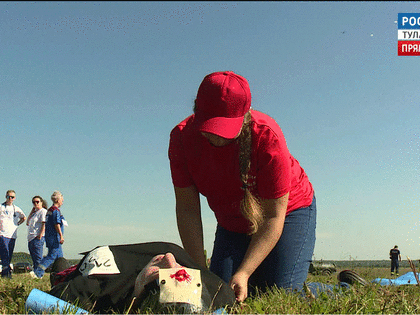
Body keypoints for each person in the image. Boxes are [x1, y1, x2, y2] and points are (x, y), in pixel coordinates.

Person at [168, 71, 316, 302]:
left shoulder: (267, 136)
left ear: (245, 115)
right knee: (222, 293)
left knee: (278, 293)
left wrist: (245, 272)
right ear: (196, 109)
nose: (217, 137)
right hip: (233, 222)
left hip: (287, 212)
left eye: (225, 128)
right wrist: (199, 270)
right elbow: (187, 209)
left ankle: (325, 288)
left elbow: (272, 217)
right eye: (210, 127)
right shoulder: (181, 139)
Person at [47, 242, 235, 313]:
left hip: (97, 260)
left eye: (160, 281)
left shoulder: (99, 289)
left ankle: (60, 268)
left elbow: (52, 297)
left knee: (61, 271)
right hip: (129, 252)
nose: (169, 260)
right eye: (180, 273)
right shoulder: (219, 293)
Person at [31, 191, 66, 279]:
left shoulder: (50, 210)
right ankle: (37, 272)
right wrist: (61, 235)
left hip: (50, 236)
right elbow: (56, 224)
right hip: (54, 237)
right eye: (62, 199)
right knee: (52, 255)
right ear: (58, 200)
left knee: (59, 258)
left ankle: (60, 275)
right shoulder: (55, 211)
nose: (63, 201)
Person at [0, 190, 26, 278]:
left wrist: (17, 224)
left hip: (12, 235)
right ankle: (6, 273)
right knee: (5, 253)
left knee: (9, 254)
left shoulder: (17, 209)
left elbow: (24, 217)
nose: (10, 199)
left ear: (14, 198)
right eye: (8, 197)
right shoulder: (1, 207)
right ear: (5, 197)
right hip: (2, 233)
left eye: (12, 197)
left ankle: (7, 272)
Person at [26, 196, 48, 271]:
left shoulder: (43, 211)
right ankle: (36, 272)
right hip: (31, 238)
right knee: (34, 258)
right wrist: (32, 211)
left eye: (37, 202)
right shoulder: (34, 213)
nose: (35, 203)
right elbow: (27, 222)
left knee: (38, 257)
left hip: (37, 237)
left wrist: (41, 234)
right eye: (34, 202)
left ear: (41, 202)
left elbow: (44, 223)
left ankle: (39, 273)